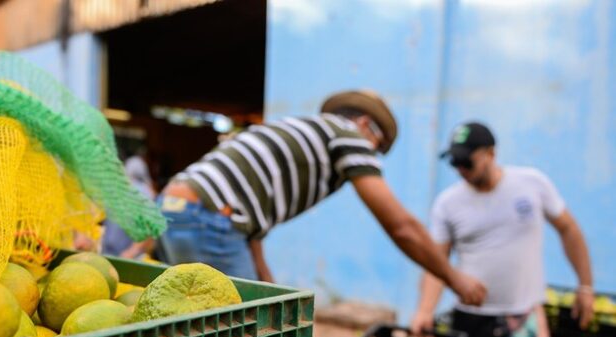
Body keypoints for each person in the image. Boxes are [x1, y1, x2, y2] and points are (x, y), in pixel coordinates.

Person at [156, 89, 486, 307]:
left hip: (177, 210)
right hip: (210, 220)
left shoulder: (303, 131)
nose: (374, 157)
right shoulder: (350, 137)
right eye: (378, 147)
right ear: (365, 125)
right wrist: (454, 278)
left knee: (193, 323)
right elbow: (402, 227)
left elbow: (252, 217)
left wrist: (269, 287)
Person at [410, 122, 594, 337]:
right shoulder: (447, 203)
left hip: (523, 318)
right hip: (470, 320)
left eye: (466, 161)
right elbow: (436, 263)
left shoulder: (531, 184)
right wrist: (425, 310)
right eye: (454, 162)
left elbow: (569, 229)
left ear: (490, 154)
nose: (460, 169)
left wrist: (585, 285)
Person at [102, 150, 157, 258]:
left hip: (124, 256)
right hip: (120, 256)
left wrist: (131, 252)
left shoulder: (141, 192)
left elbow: (150, 228)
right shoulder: (116, 189)